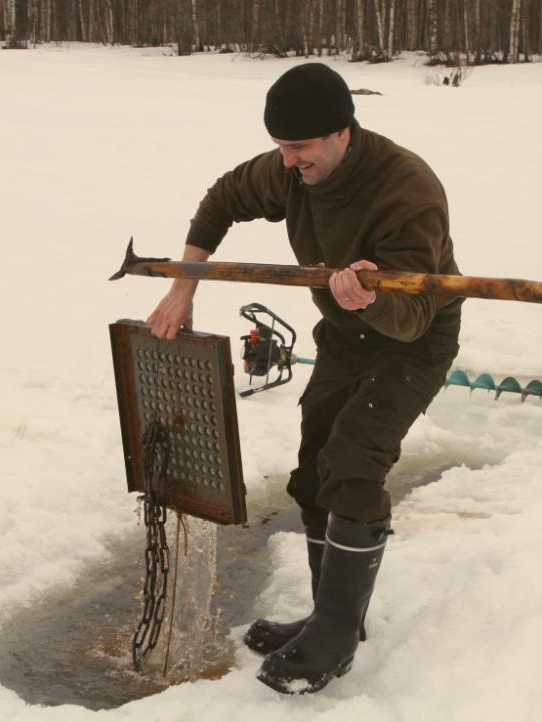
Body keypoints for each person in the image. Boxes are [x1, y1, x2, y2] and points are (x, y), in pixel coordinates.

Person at [147, 62, 462, 694]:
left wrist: (368, 298)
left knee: (353, 462)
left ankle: (338, 638)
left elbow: (412, 313)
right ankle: (330, 615)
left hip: (411, 342)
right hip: (345, 338)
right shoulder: (288, 169)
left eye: (301, 148)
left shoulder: (408, 190)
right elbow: (220, 202)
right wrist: (186, 287)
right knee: (316, 464)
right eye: (281, 148)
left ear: (341, 132)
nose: (288, 162)